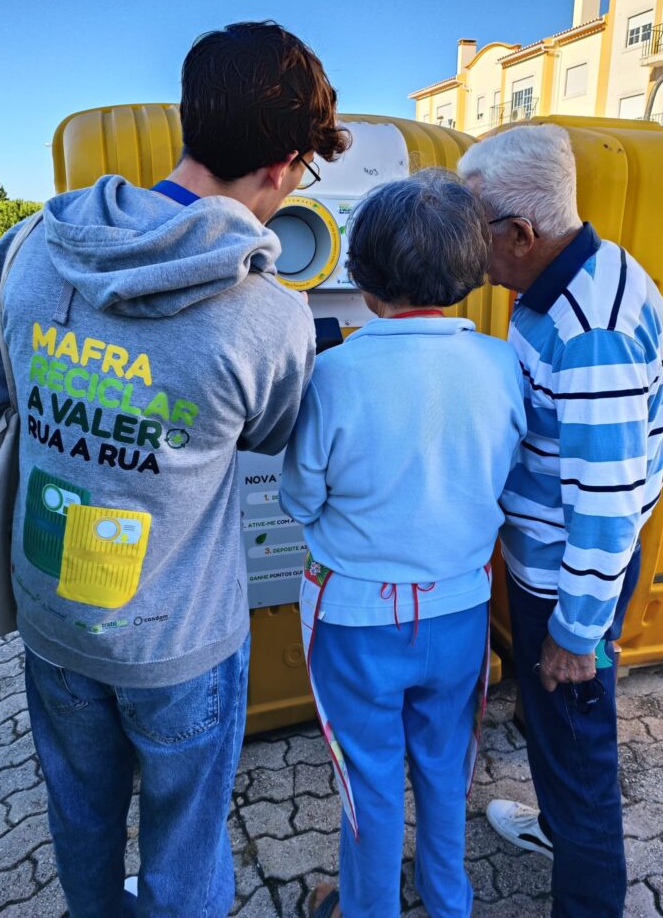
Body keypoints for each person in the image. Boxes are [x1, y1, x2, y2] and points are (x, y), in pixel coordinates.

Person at [0, 20, 349, 918]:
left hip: (54, 619)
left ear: (190, 121)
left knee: (80, 816)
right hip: (182, 643)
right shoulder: (270, 316)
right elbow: (271, 435)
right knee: (186, 846)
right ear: (284, 164)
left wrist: (76, 453)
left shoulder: (27, 248)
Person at [279, 168, 527, 918]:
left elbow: (300, 498)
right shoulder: (503, 363)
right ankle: (449, 901)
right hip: (460, 609)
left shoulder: (332, 374)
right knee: (448, 767)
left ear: (359, 276)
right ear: (469, 269)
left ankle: (369, 907)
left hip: (354, 619)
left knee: (371, 781)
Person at [457, 124, 663, 918]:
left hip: (569, 582)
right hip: (555, 568)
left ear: (520, 233)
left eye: (473, 226)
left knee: (580, 753)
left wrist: (576, 633)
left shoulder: (592, 334)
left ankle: (588, 895)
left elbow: (608, 502)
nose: (465, 244)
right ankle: (555, 829)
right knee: (556, 734)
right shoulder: (567, 278)